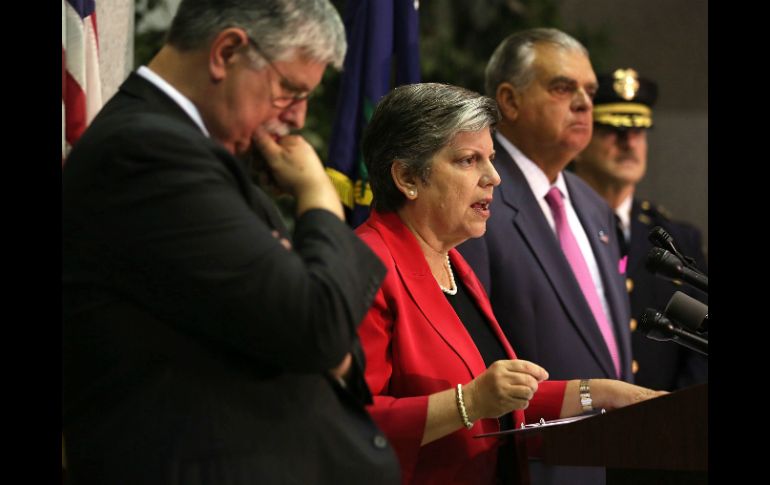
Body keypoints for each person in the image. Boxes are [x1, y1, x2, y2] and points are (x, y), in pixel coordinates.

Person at [62, 1, 400, 483]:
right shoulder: (147, 153)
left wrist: (322, 328)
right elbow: (318, 327)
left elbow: (330, 334)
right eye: (289, 91)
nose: (298, 119)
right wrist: (317, 193)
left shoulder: (198, 152)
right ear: (227, 52)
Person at [355, 82, 664, 485]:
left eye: (491, 158)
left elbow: (500, 402)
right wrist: (469, 402)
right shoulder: (365, 265)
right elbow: (350, 424)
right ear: (407, 176)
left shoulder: (453, 264)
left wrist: (601, 393)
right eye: (468, 160)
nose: (494, 178)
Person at [456, 28, 633, 485]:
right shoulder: (479, 201)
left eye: (589, 91)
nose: (584, 103)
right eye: (562, 88)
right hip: (526, 464)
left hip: (607, 461)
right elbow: (466, 357)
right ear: (509, 102)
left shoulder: (593, 205)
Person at [572, 67, 708, 391]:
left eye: (639, 130)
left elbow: (702, 340)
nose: (628, 141)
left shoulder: (675, 238)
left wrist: (674, 412)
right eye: (613, 129)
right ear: (580, 139)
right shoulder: (556, 230)